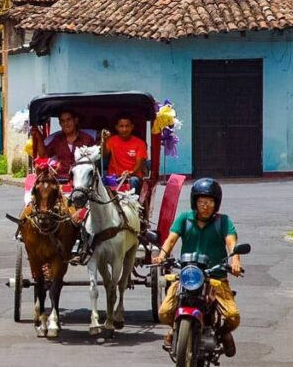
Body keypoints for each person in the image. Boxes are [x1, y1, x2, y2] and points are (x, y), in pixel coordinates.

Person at [151, 178, 243, 357]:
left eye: (209, 202)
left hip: (215, 278)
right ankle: (176, 328)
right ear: (195, 202)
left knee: (233, 316)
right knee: (164, 312)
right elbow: (170, 240)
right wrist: (161, 256)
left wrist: (235, 261)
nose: (205, 206)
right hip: (188, 276)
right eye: (202, 202)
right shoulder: (184, 219)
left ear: (216, 203)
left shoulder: (223, 221)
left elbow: (232, 243)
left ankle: (223, 333)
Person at [30, 109, 95, 179]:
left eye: (68, 120)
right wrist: (39, 137)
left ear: (75, 121)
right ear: (60, 124)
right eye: (63, 121)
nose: (66, 123)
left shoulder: (87, 139)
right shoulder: (57, 139)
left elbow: (95, 159)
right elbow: (43, 155)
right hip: (61, 179)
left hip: (82, 180)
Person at [100, 113, 147, 194]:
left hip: (132, 177)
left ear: (132, 127)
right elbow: (104, 155)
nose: (124, 129)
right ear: (117, 127)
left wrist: (130, 173)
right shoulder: (111, 140)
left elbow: (139, 164)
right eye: (121, 126)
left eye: (127, 126)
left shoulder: (140, 143)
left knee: (134, 180)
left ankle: (133, 205)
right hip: (114, 178)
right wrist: (104, 142)